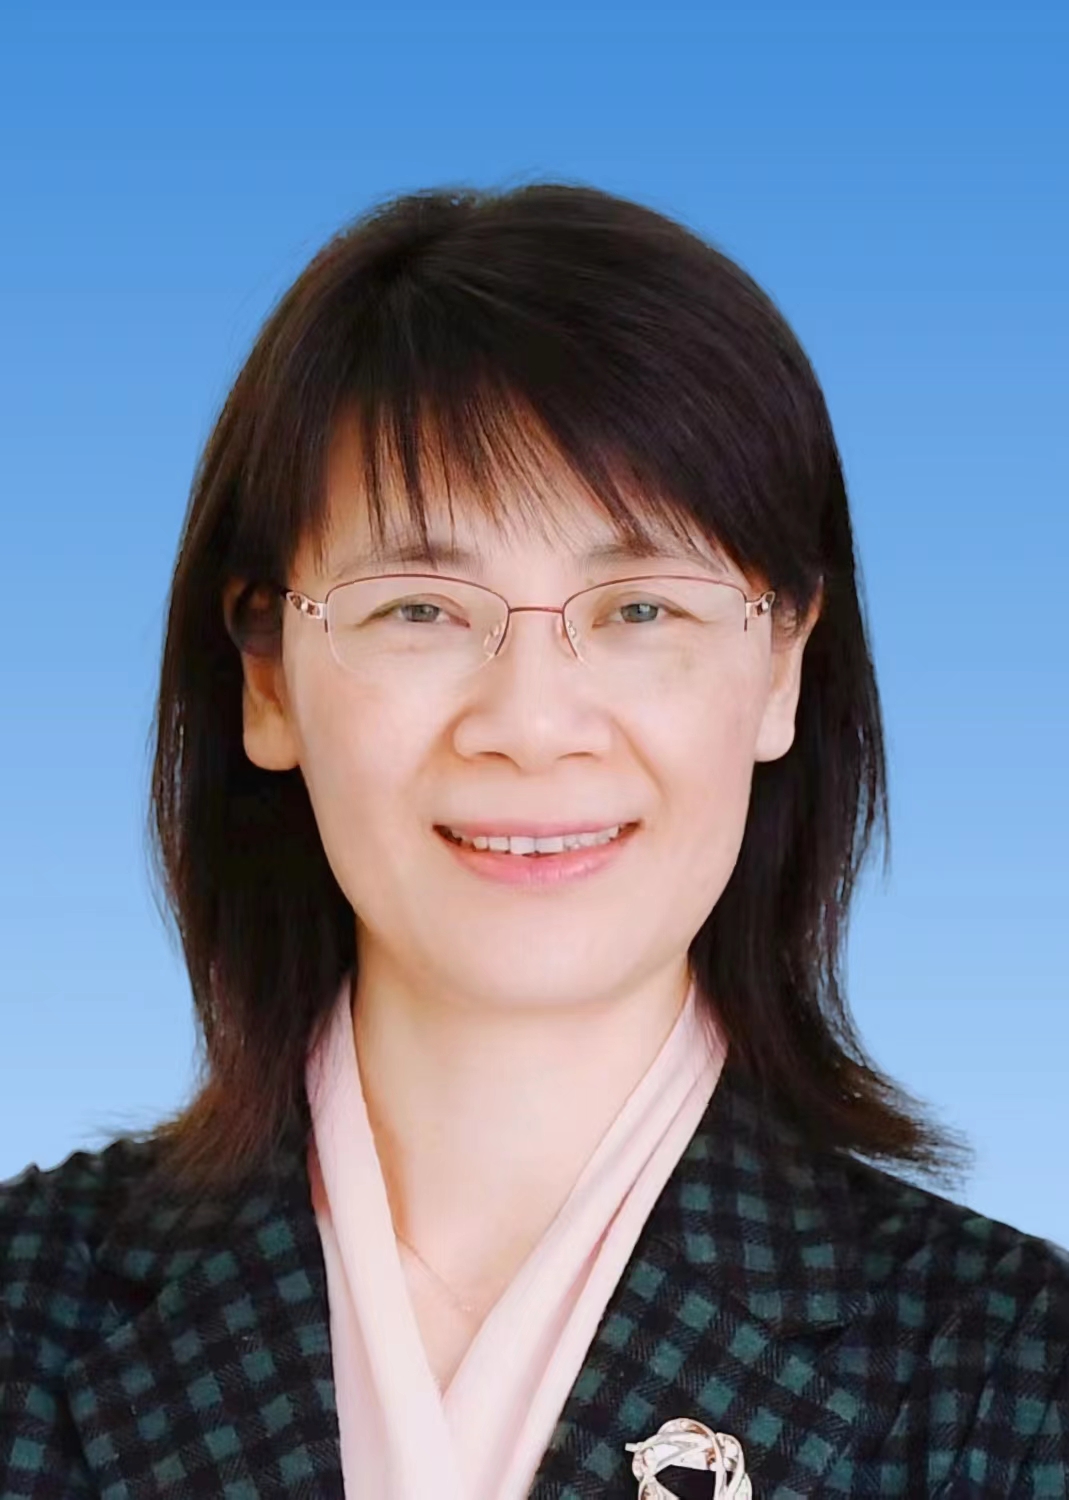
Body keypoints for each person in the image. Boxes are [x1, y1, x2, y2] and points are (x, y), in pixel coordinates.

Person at [1, 183, 1066, 1500]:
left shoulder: (1012, 1378)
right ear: (267, 678)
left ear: (782, 664)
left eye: (638, 609)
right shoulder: (24, 1316)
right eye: (419, 609)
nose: (530, 724)